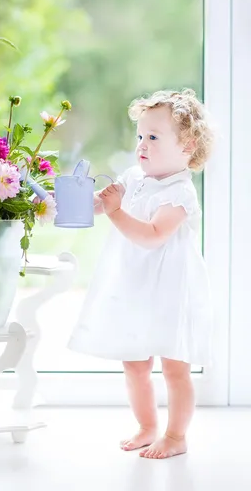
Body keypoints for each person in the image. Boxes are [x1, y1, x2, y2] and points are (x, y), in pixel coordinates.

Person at [68, 89, 215, 459]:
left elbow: (153, 236)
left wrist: (117, 212)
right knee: (135, 363)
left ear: (188, 145)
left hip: (170, 290)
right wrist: (81, 202)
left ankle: (177, 436)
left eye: (153, 137)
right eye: (140, 136)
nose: (142, 145)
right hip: (136, 285)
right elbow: (104, 204)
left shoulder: (179, 192)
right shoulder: (134, 176)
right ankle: (147, 426)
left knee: (174, 368)